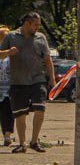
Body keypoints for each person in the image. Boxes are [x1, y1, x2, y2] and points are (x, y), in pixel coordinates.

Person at [0, 12, 56, 153]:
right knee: (20, 114)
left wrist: (52, 78)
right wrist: (8, 52)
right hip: (18, 81)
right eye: (35, 25)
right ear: (26, 24)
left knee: (40, 108)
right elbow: (0, 54)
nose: (38, 27)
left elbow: (48, 59)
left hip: (37, 79)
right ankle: (22, 143)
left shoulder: (41, 38)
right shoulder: (11, 37)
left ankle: (34, 141)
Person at [0, 25, 13, 147]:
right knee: (6, 114)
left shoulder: (12, 53)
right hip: (4, 89)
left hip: (8, 90)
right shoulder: (7, 53)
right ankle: (7, 136)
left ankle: (7, 136)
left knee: (7, 113)